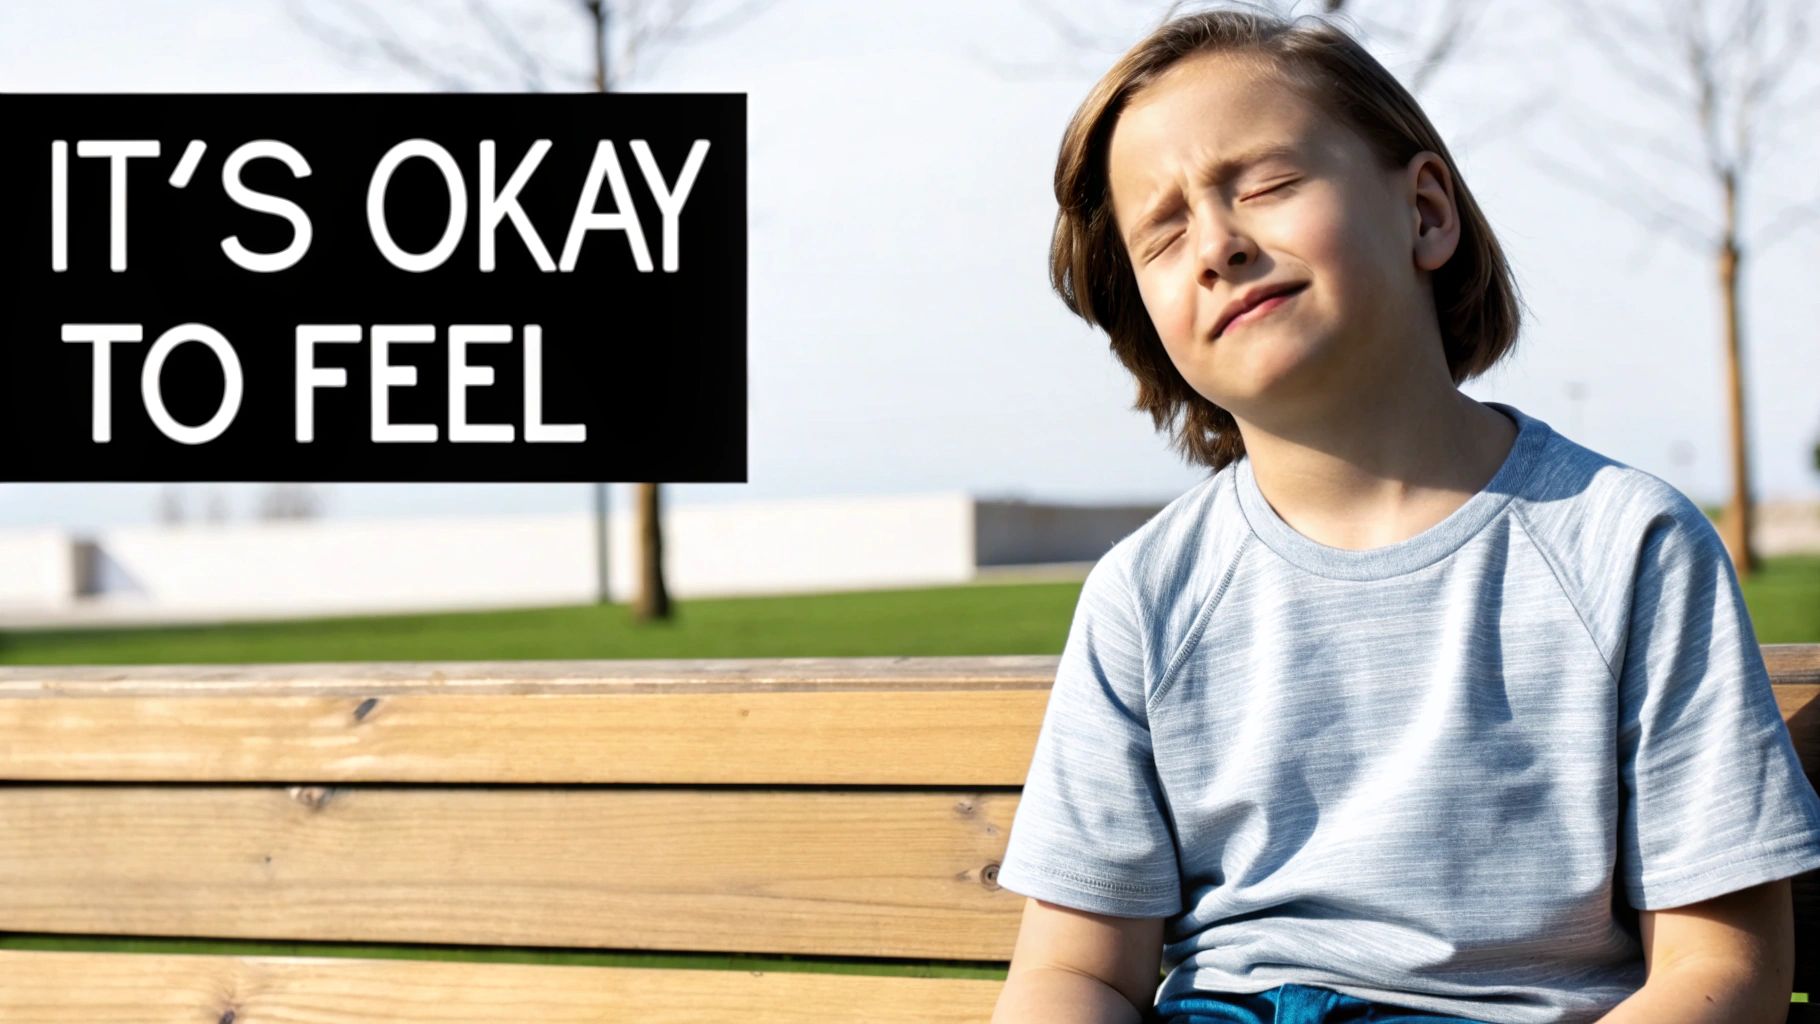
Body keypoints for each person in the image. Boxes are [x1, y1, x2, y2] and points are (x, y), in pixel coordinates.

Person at [988, 7, 1820, 1024]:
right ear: (1154, 328)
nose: (1214, 244)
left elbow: (1719, 969)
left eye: (1266, 184)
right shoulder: (1145, 594)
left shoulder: (1623, 547)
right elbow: (1075, 971)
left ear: (1424, 212)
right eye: (1160, 233)